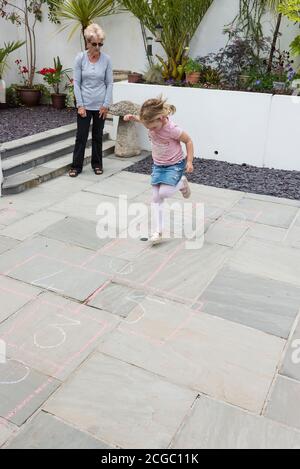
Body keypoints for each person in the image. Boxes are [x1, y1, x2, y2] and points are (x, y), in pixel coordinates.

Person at [124, 96, 195, 245]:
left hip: (175, 164)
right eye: (148, 127)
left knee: (164, 192)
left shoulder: (172, 129)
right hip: (158, 164)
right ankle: (158, 231)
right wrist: (132, 117)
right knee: (156, 198)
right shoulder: (149, 122)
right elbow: (142, 120)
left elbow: (188, 141)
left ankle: (182, 183)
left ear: (161, 119)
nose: (151, 130)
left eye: (153, 127)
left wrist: (189, 161)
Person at [69, 24, 113, 177]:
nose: (97, 47)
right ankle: (76, 166)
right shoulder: (80, 58)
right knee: (81, 137)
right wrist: (80, 105)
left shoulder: (107, 60)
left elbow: (109, 83)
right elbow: (77, 83)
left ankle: (97, 164)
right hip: (85, 105)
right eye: (94, 44)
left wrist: (106, 104)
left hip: (100, 105)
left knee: (98, 136)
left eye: (100, 44)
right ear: (87, 43)